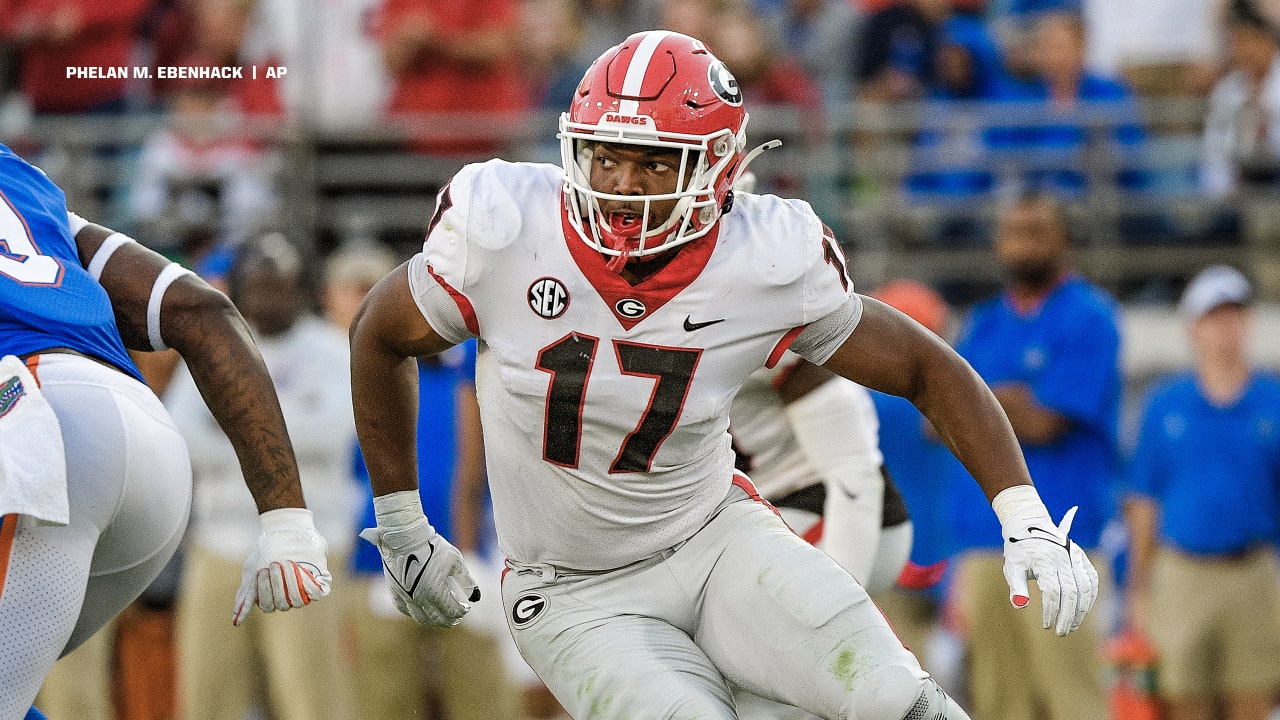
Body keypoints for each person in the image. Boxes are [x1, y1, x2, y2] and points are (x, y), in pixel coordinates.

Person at [350, 31, 1098, 720]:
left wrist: (1021, 514)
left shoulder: (763, 258)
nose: (621, 184)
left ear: (715, 167)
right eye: (606, 156)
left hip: (715, 542)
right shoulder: (504, 230)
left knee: (901, 702)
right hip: (571, 589)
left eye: (653, 162)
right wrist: (403, 522)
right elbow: (379, 335)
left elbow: (922, 367)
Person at [0, 142, 331, 718]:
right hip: (148, 459)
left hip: (45, 437)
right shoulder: (29, 192)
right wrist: (287, 525)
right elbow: (200, 311)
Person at [165, 233, 359, 720]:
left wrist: (235, 428)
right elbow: (180, 434)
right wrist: (277, 439)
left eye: (281, 284)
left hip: (309, 548)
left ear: (301, 287)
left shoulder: (332, 349)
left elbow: (333, 435)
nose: (269, 295)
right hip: (219, 544)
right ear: (240, 288)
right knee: (208, 700)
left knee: (312, 702)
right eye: (258, 284)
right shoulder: (215, 348)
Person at [946, 191, 1120, 720]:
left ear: (1063, 240)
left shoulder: (1090, 317)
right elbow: (940, 419)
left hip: (1061, 539)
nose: (1022, 244)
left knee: (1072, 700)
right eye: (1013, 232)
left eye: (1036, 231)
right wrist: (1012, 399)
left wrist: (978, 403)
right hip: (984, 538)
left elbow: (1045, 423)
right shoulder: (983, 322)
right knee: (999, 701)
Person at [1124, 265, 1280, 720]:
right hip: (1182, 573)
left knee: (1253, 698)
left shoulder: (1271, 400)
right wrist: (1139, 591)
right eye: (1214, 316)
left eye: (1233, 315)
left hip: (1251, 570)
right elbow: (1143, 503)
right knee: (1181, 699)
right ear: (1194, 327)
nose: (1225, 327)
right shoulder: (1165, 404)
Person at [728, 349, 914, 720]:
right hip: (747, 511)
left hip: (825, 507)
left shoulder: (748, 318)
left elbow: (853, 472)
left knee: (744, 665)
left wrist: (839, 617)